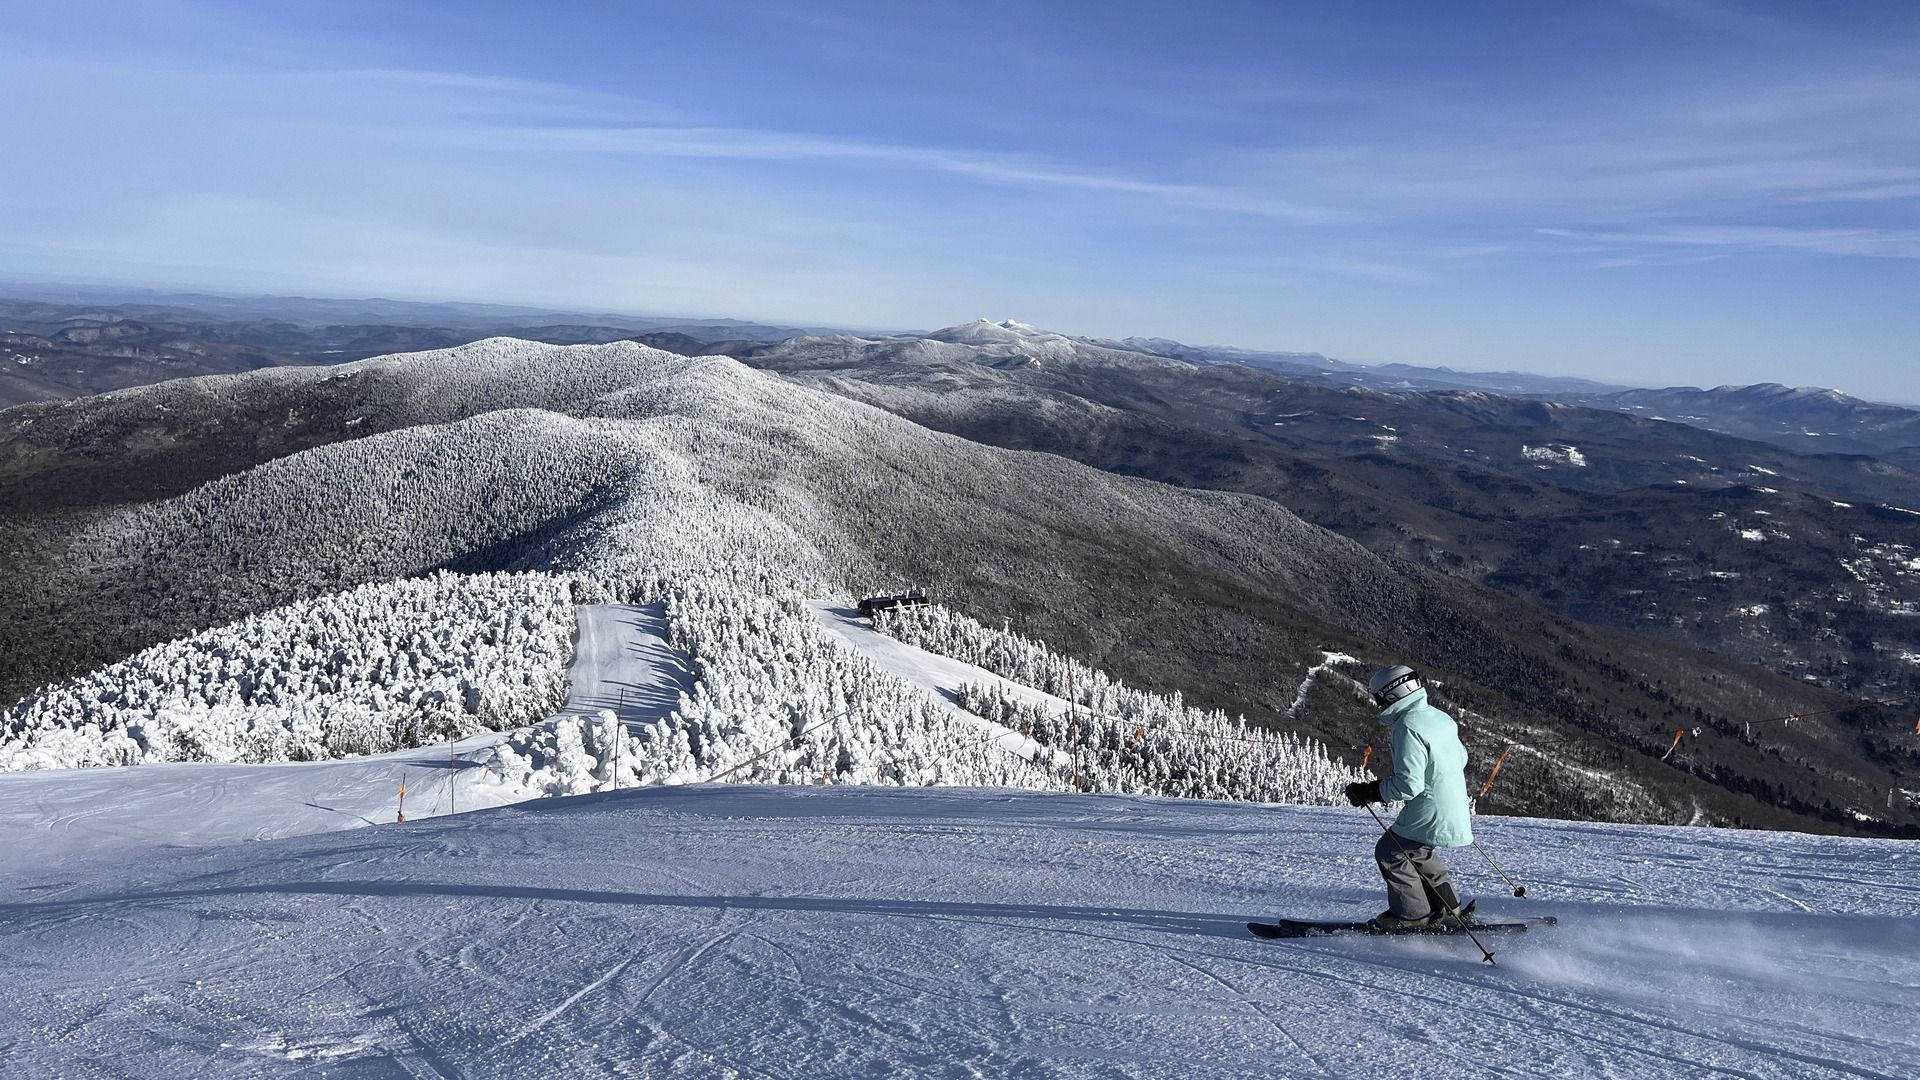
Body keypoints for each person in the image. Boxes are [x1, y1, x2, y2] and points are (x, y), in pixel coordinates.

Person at [1343, 664, 1474, 931]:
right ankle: (1450, 908)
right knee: (1417, 851)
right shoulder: (1439, 716)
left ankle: (1412, 916)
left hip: (1429, 808)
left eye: (1379, 698)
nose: (1378, 704)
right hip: (1454, 803)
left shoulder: (1407, 726)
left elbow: (1408, 785)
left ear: (1393, 694)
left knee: (1390, 851)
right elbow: (1462, 758)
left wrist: (1371, 791)